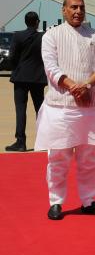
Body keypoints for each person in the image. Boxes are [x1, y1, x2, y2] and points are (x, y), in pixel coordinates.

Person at [35, 0, 95, 220]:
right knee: (59, 158)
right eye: (73, 7)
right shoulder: (51, 35)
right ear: (63, 10)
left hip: (92, 107)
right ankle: (56, 201)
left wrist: (88, 85)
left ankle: (88, 200)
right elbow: (51, 68)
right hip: (61, 108)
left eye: (81, 7)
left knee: (90, 158)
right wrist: (74, 87)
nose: (78, 11)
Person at [6, 11, 47, 152]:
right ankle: (43, 141)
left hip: (21, 77)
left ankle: (20, 142)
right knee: (40, 110)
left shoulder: (18, 36)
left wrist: (17, 67)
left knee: (20, 109)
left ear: (25, 22)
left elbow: (12, 57)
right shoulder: (43, 37)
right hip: (38, 78)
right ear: (37, 22)